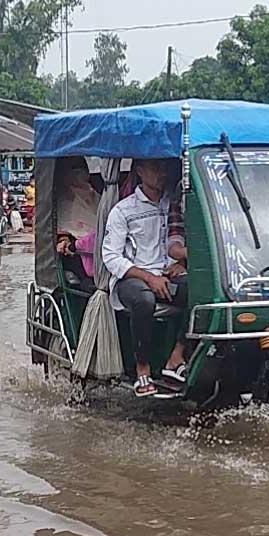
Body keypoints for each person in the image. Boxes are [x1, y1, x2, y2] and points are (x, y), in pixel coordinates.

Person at [101, 158, 191, 396]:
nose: (161, 173)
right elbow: (111, 257)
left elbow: (178, 240)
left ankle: (176, 357)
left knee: (200, 289)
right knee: (144, 300)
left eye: (164, 168)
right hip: (132, 279)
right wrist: (149, 278)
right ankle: (142, 370)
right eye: (155, 168)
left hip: (167, 274)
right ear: (140, 171)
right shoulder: (123, 210)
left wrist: (180, 263)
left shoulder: (173, 205)